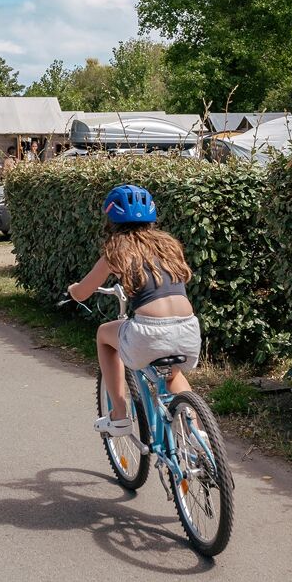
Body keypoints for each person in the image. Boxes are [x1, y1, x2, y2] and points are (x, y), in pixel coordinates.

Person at [68, 185, 201, 437]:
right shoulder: (170, 246)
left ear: (112, 220)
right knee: (173, 376)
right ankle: (201, 437)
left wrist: (73, 290)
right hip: (188, 329)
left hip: (149, 333)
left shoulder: (116, 252)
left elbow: (83, 292)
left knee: (104, 335)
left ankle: (118, 415)